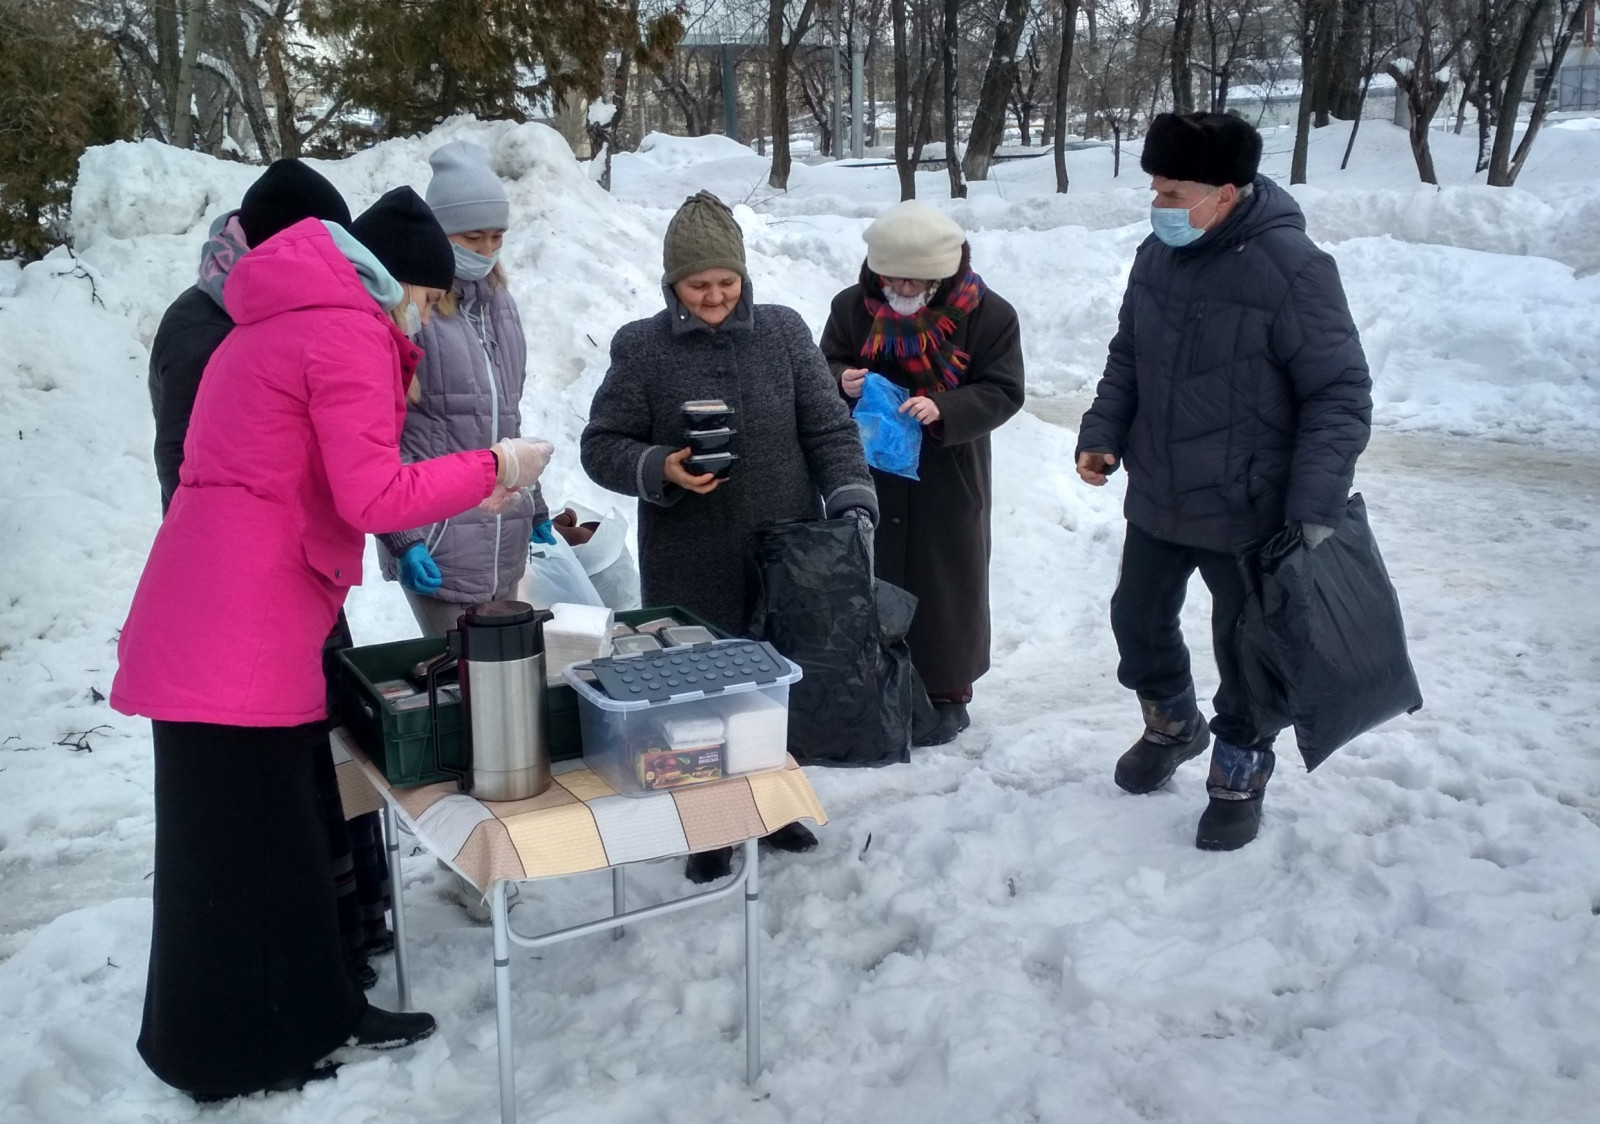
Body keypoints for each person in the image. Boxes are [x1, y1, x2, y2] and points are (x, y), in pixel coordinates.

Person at [111, 185, 554, 1101]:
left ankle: (300, 1019)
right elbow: (372, 496)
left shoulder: (270, 321)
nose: (429, 322)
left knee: (248, 843)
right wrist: (494, 467)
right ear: (398, 282)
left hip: (209, 612)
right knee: (256, 847)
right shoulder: (346, 329)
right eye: (430, 301)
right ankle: (249, 1051)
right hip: (244, 624)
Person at [1075, 111, 1372, 851]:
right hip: (1161, 494)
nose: (1159, 205)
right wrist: (1102, 433)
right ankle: (1174, 725)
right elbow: (1128, 357)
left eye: (1174, 192)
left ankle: (1241, 761)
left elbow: (1339, 395)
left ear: (1228, 193)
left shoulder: (1294, 268)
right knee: (1136, 624)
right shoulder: (1156, 257)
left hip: (1250, 506)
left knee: (1246, 650)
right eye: (1156, 188)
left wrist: (1312, 505)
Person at [145, 158, 392, 991]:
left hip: (306, 573)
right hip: (243, 595)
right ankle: (312, 978)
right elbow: (200, 475)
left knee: (322, 773)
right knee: (273, 807)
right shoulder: (206, 326)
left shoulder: (292, 315)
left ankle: (345, 948)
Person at [580, 190, 877, 883]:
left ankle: (770, 807)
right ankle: (707, 827)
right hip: (688, 560)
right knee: (698, 700)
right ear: (672, 284)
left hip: (784, 551)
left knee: (770, 690)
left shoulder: (783, 333)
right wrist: (661, 467)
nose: (714, 296)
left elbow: (829, 429)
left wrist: (852, 498)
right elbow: (601, 446)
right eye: (697, 284)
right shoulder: (643, 347)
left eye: (725, 282)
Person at [820, 201, 1025, 747]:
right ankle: (874, 679)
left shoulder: (989, 315)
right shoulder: (852, 307)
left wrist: (946, 409)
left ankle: (945, 690)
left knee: (946, 579)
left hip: (946, 471)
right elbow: (826, 363)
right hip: (871, 466)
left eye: (915, 279)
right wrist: (844, 380)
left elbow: (1004, 389)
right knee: (871, 572)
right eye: (891, 276)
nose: (902, 287)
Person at [377, 141, 551, 636]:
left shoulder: (502, 305)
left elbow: (506, 419)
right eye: (473, 238)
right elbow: (379, 440)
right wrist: (403, 538)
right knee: (460, 687)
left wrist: (533, 502)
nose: (488, 252)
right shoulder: (411, 313)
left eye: (497, 237)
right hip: (436, 535)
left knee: (506, 682)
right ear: (439, 233)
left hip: (504, 535)